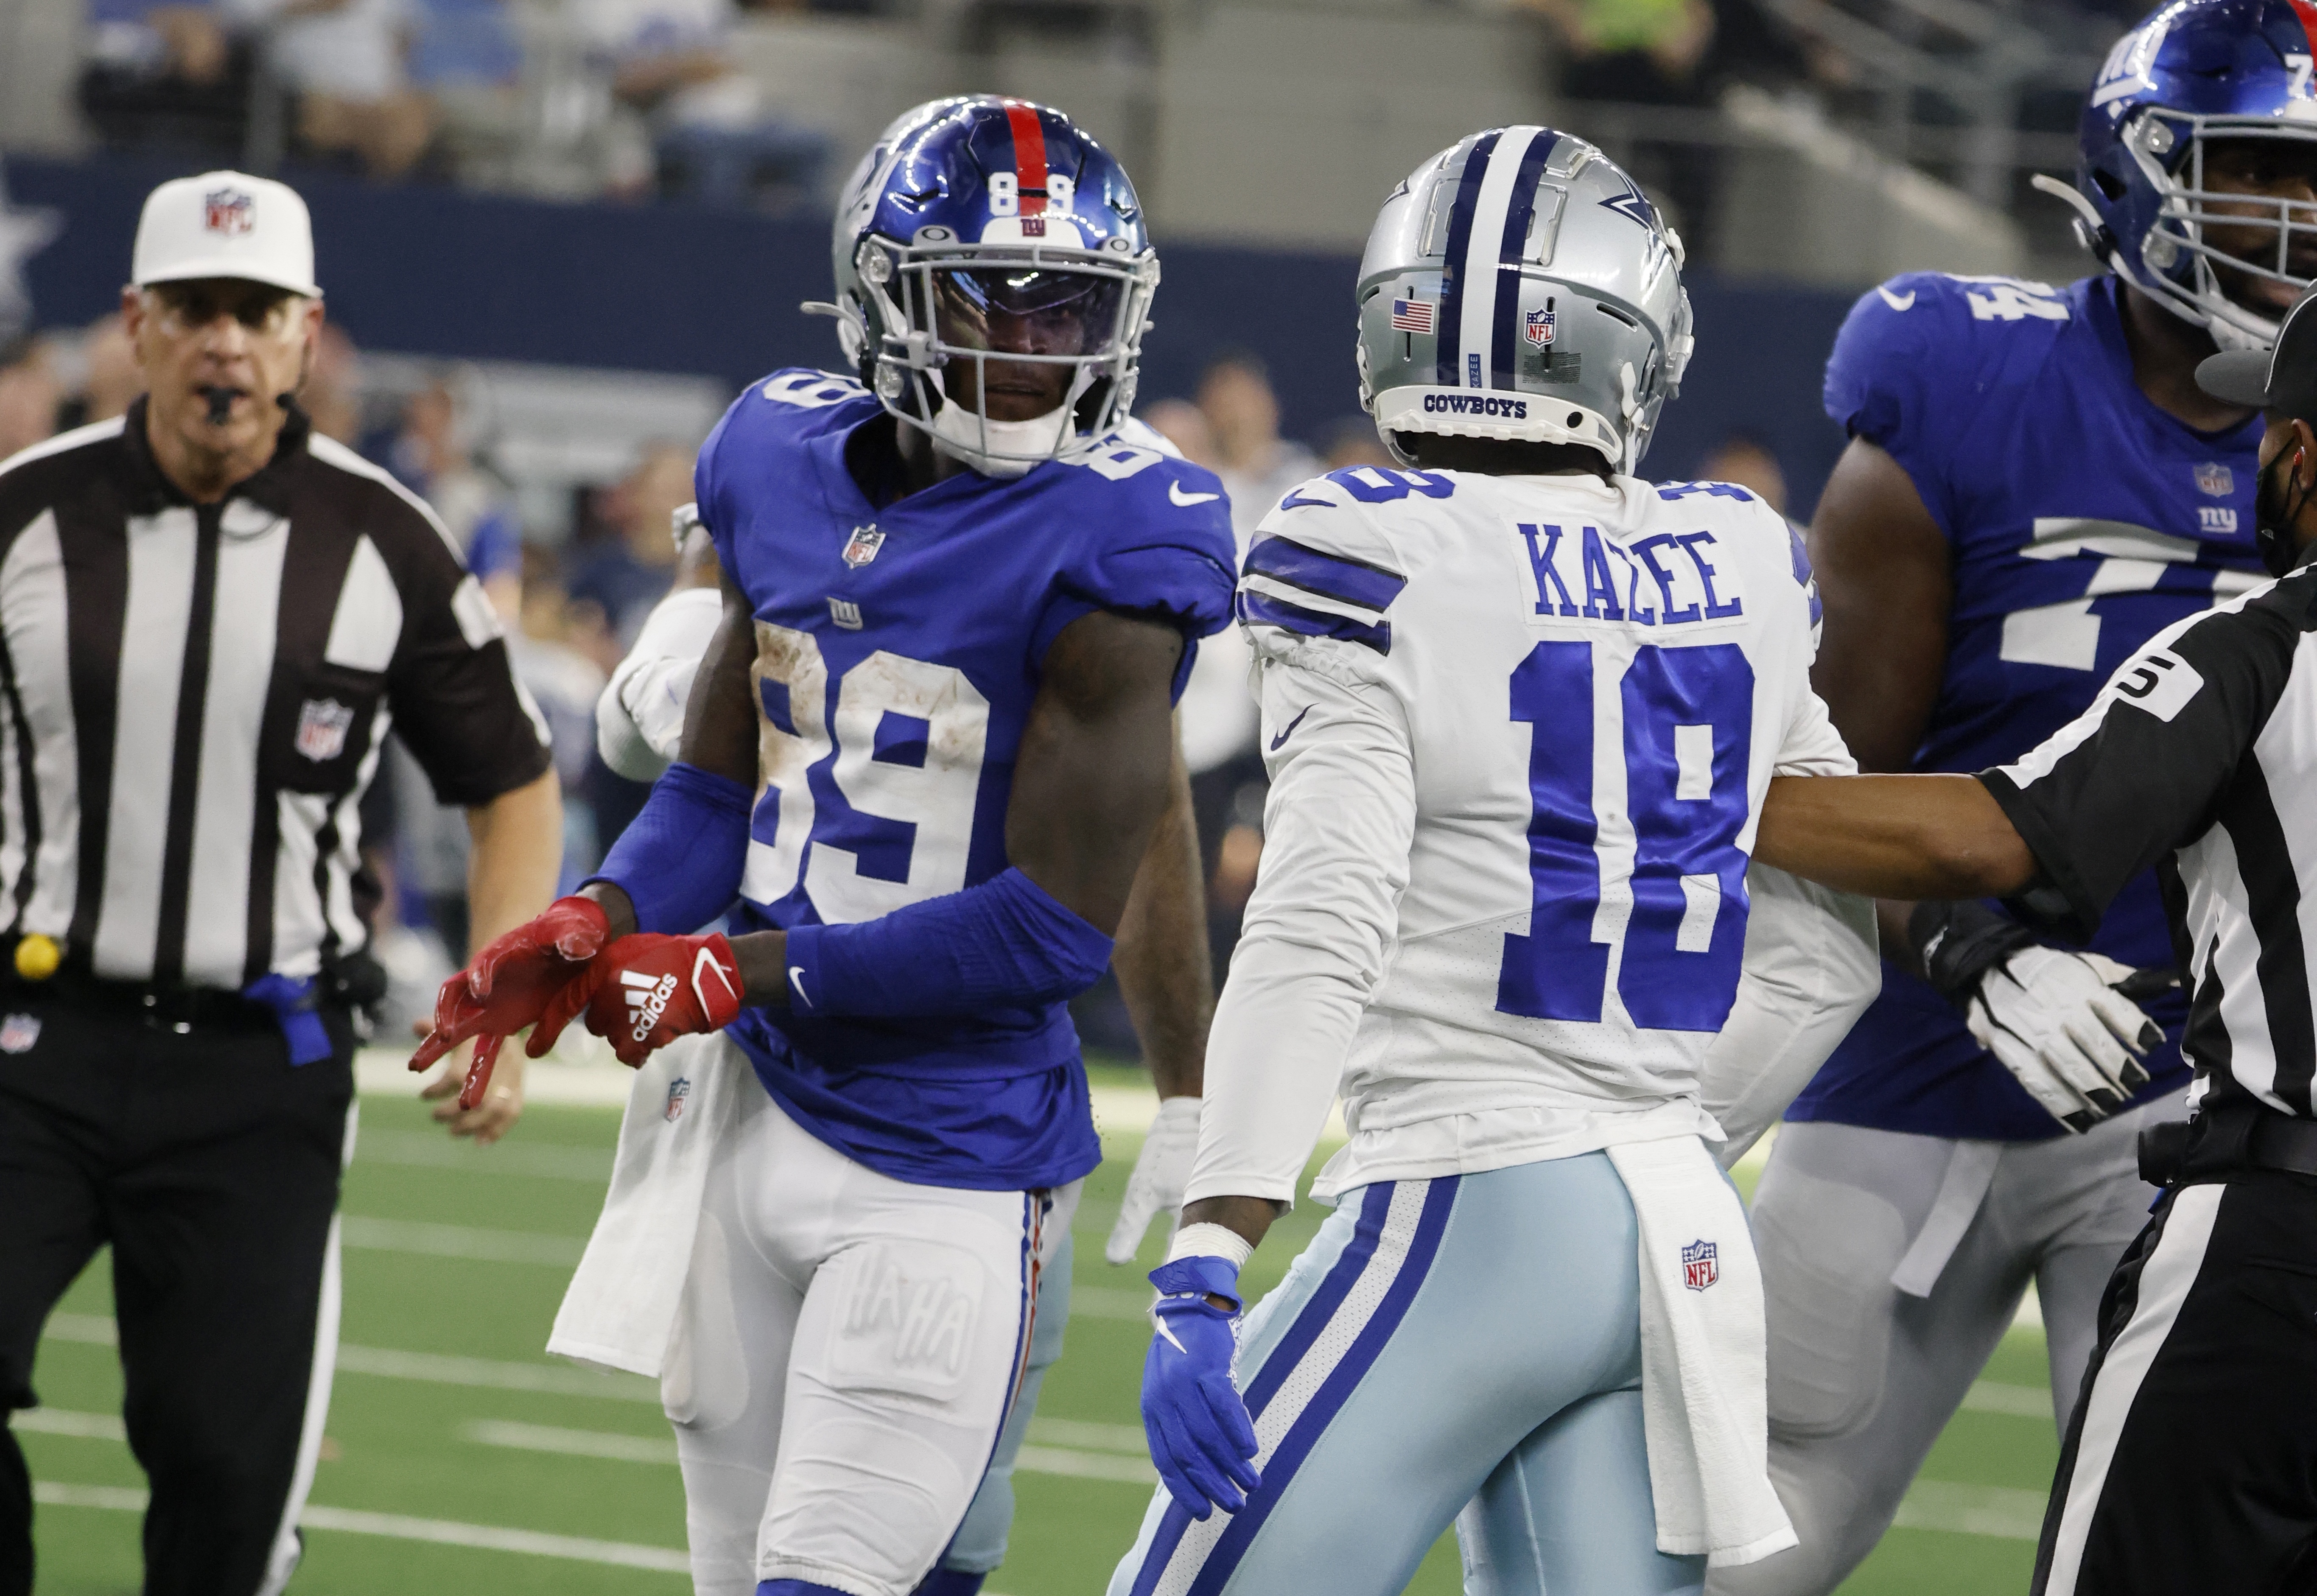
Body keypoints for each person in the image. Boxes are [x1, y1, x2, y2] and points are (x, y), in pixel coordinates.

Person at [413, 98, 1234, 1596]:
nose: (1043, 341)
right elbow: (720, 791)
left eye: (1077, 307)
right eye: (997, 295)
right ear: (881, 294)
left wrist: (728, 971)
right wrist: (593, 915)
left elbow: (1050, 930)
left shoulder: (1124, 540)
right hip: (749, 1134)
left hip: (953, 1157)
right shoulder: (777, 450)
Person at [1106, 126, 1879, 1596]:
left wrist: (1217, 1233)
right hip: (1668, 1230)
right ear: (1633, 342)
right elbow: (1833, 942)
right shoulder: (1741, 558)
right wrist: (1652, 1128)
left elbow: (1320, 918)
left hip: (1470, 1205)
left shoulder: (1366, 543)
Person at [1707, 8, 2315, 1590]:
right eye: (2256, 174)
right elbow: (1836, 770)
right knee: (1750, 1536)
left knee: (2175, 1551)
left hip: (2194, 1093)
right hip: (1910, 1052)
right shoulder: (1963, 376)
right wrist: (1977, 952)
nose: (2298, 220)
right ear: (2139, 173)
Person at [0, 170, 560, 1596]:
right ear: (136, 325)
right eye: (194, 310)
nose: (224, 347)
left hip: (262, 1067)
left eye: (255, 313)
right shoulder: (25, 518)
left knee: (229, 1486)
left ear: (307, 335)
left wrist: (496, 996)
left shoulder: (385, 543)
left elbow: (512, 779)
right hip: (29, 1047)